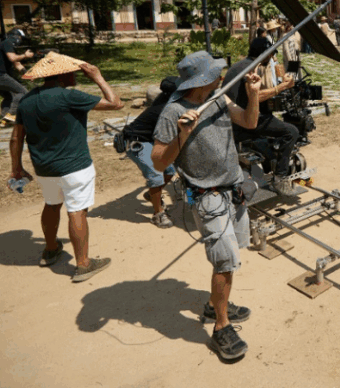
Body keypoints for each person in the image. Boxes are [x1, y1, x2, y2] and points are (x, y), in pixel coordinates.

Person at [151, 50, 263, 361]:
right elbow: (158, 162)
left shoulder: (219, 97)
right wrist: (183, 134)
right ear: (203, 80)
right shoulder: (173, 112)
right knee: (225, 262)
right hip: (208, 197)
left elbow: (249, 121)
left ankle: (215, 305)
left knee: (231, 256)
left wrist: (253, 94)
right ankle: (221, 327)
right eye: (216, 73)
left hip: (234, 189)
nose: (222, 76)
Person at [9, 52, 123, 281]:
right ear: (63, 75)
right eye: (73, 72)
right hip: (75, 167)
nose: (76, 75)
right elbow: (116, 103)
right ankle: (83, 264)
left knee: (52, 205)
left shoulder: (27, 100)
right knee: (77, 210)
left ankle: (50, 249)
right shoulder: (69, 96)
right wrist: (98, 77)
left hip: (44, 168)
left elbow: (16, 138)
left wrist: (16, 168)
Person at [222, 37, 300, 196]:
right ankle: (280, 178)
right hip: (243, 120)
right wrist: (282, 87)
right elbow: (255, 95)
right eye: (270, 54)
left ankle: (269, 162)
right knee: (291, 131)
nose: (272, 57)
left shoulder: (241, 65)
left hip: (232, 117)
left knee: (270, 119)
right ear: (264, 54)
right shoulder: (251, 69)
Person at [122, 76, 180, 228]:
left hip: (150, 140)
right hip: (137, 142)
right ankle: (158, 214)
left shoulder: (166, 99)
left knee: (169, 171)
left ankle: (152, 194)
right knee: (156, 175)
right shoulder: (167, 109)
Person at [0, 28, 34, 127]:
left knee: (9, 97)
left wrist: (27, 75)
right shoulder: (7, 43)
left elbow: (17, 64)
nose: (21, 41)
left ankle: (5, 119)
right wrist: (25, 55)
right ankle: (11, 115)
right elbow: (12, 58)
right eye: (21, 38)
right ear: (16, 37)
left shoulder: (5, 45)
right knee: (22, 92)